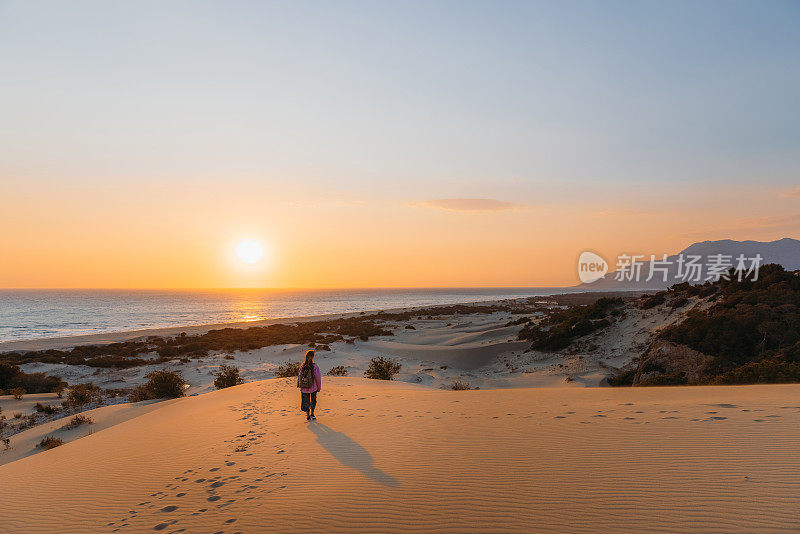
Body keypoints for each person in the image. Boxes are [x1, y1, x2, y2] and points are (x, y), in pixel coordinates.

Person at [297, 349, 321, 421]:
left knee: (306, 401)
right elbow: (318, 378)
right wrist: (318, 387)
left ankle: (307, 415)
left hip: (304, 387)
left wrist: (299, 384)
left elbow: (299, 375)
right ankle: (312, 414)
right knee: (313, 400)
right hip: (313, 387)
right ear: (313, 357)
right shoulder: (315, 366)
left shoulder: (302, 365)